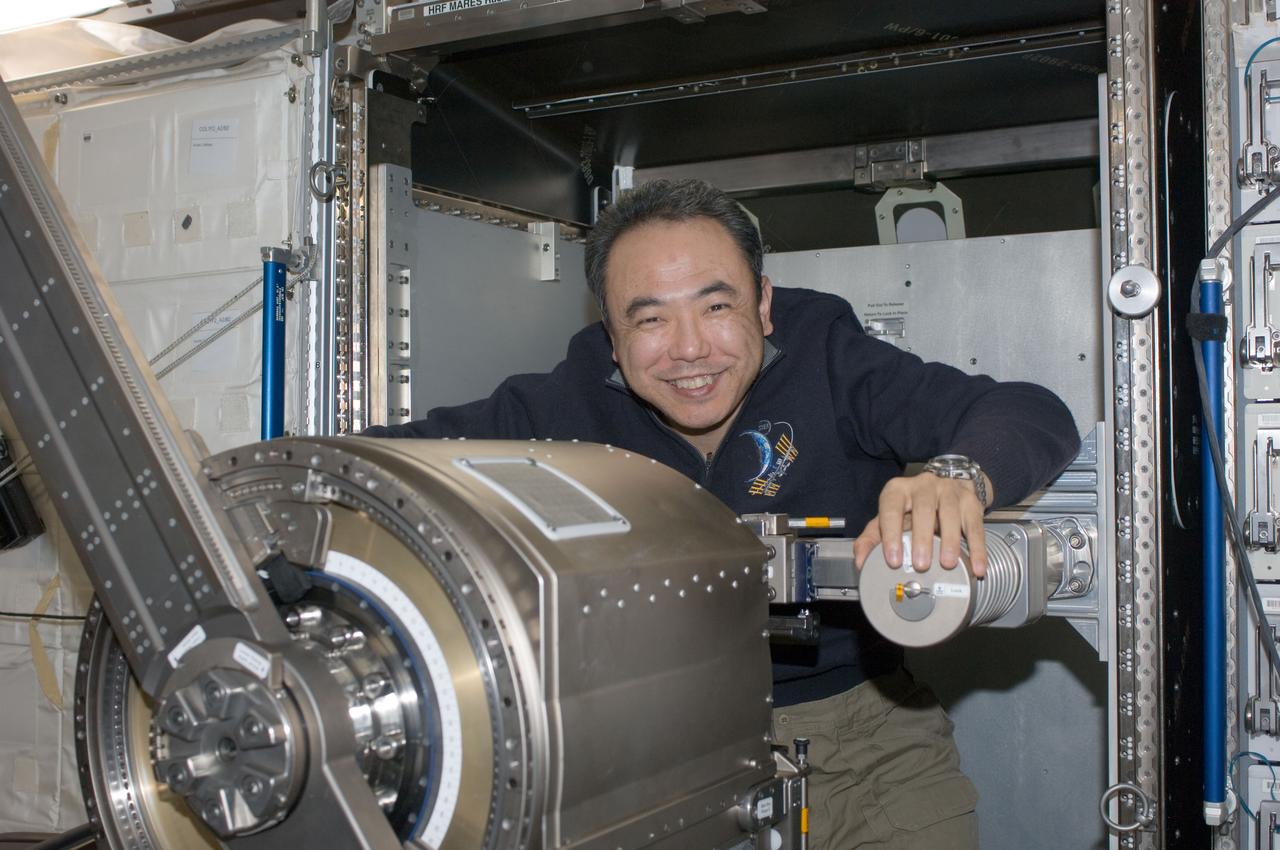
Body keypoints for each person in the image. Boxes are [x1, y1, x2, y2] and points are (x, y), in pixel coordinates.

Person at [365, 178, 1080, 848]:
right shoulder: (563, 404)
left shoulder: (833, 360)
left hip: (866, 739)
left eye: (716, 306)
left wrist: (957, 476)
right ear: (612, 337)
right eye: (649, 319)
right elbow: (386, 462)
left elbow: (1030, 411)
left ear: (764, 304)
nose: (689, 350)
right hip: (655, 751)